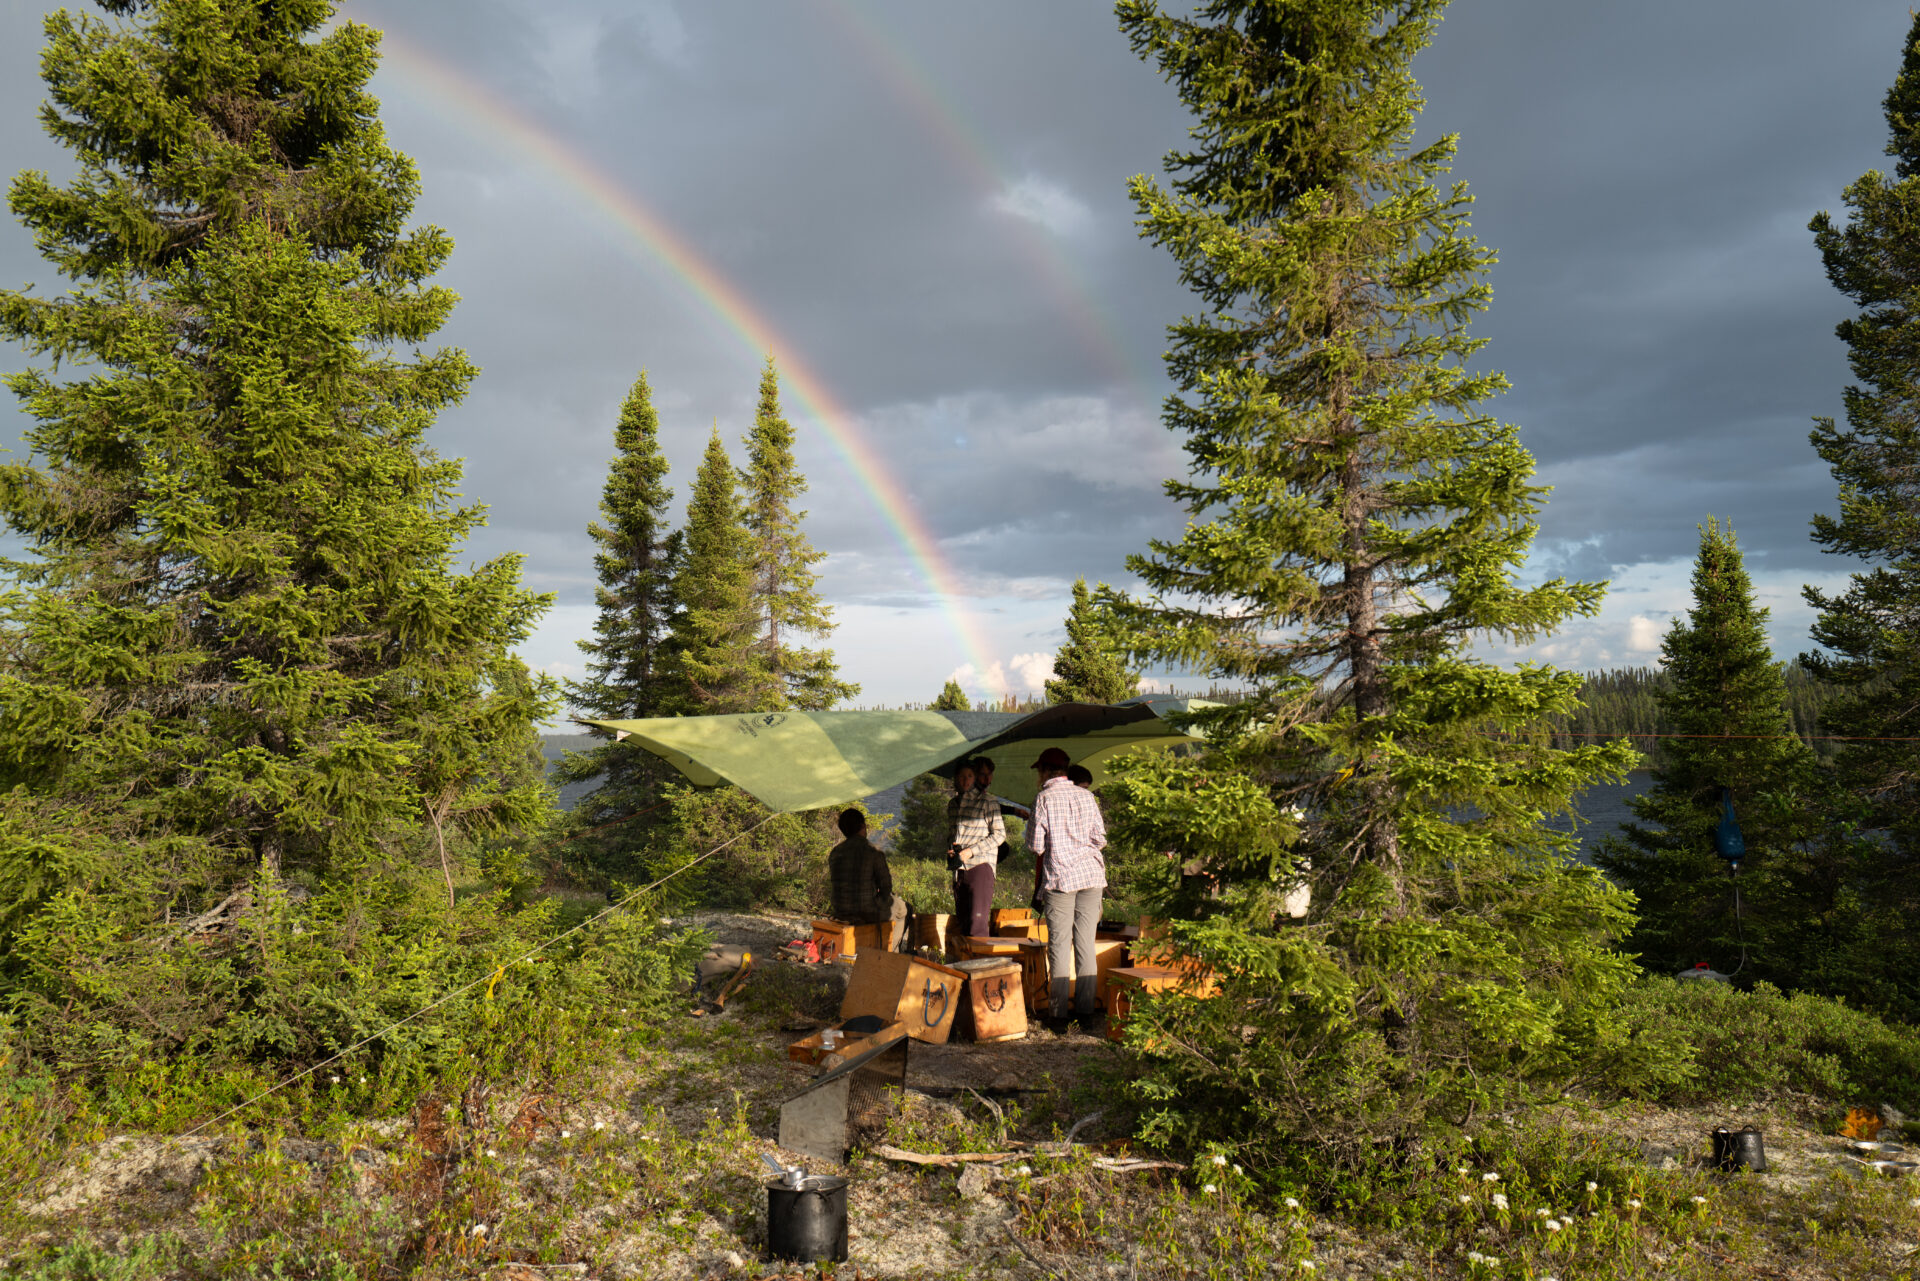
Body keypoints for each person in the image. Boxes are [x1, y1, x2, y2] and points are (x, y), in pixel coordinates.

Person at [1028, 746, 1107, 1030]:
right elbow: (1100, 839)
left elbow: (1035, 845)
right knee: (1085, 944)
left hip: (1060, 879)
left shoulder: (1044, 798)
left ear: (1046, 771)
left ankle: (1058, 1017)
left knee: (1060, 946)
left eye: (1040, 771)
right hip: (1091, 876)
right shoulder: (1087, 796)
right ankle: (1086, 1014)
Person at [827, 808, 905, 948]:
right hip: (866, 911)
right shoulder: (873, 851)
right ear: (863, 826)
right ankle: (890, 950)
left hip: (840, 910)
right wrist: (878, 901)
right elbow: (886, 887)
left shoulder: (835, 852)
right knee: (903, 909)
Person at [946, 759, 1004, 939]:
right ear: (956, 778)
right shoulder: (953, 804)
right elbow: (952, 834)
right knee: (962, 924)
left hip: (980, 865)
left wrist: (971, 851)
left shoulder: (987, 802)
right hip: (959, 869)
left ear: (975, 778)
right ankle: (965, 957)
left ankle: (979, 957)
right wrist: (951, 849)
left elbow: (999, 835)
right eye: (962, 776)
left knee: (976, 925)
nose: (965, 780)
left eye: (969, 776)